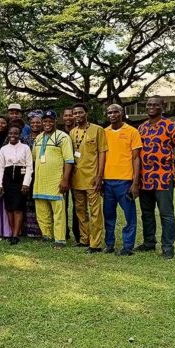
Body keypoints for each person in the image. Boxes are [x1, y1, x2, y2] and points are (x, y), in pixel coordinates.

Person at [136, 96, 175, 259]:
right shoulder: (141, 128)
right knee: (147, 213)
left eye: (155, 105)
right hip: (145, 179)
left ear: (162, 107)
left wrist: (172, 170)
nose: (151, 107)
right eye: (149, 104)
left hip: (164, 178)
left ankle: (168, 247)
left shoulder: (172, 126)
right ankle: (149, 243)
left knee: (166, 214)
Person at [103, 104, 142, 256]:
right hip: (107, 181)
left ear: (122, 113)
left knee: (129, 215)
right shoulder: (104, 132)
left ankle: (127, 246)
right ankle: (109, 243)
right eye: (109, 113)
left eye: (115, 112)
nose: (112, 115)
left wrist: (135, 182)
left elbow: (136, 158)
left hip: (125, 181)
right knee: (108, 215)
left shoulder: (132, 132)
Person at [33, 111, 74, 249]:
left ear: (56, 122)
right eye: (45, 121)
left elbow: (69, 160)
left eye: (50, 121)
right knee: (42, 209)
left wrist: (65, 180)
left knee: (58, 211)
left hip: (56, 181)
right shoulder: (38, 138)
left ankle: (60, 239)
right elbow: (34, 158)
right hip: (40, 181)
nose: (47, 124)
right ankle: (47, 235)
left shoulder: (63, 137)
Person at [70, 103, 108, 253]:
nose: (77, 115)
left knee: (95, 212)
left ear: (86, 113)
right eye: (75, 113)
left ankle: (95, 243)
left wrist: (100, 176)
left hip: (92, 177)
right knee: (80, 210)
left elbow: (102, 153)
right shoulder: (72, 132)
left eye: (80, 112)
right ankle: (84, 239)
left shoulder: (97, 130)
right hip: (76, 178)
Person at [0, 125, 33, 245]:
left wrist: (26, 183)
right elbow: (0, 168)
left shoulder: (25, 148)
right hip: (7, 179)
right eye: (11, 133)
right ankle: (12, 232)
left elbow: (29, 167)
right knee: (9, 208)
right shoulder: (3, 149)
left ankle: (16, 234)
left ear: (20, 135)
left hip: (20, 179)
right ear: (8, 134)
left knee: (18, 208)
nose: (13, 135)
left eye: (16, 133)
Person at [62, 107, 81, 245]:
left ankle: (79, 234)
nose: (69, 117)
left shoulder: (80, 132)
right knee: (62, 204)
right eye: (66, 115)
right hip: (62, 174)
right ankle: (63, 232)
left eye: (71, 115)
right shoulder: (60, 134)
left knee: (77, 206)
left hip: (78, 174)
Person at [23, 113, 43, 238]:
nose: (35, 125)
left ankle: (41, 229)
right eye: (33, 123)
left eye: (38, 122)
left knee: (40, 201)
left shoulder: (45, 137)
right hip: (28, 173)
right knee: (28, 200)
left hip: (42, 173)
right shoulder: (25, 139)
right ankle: (28, 230)